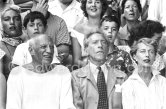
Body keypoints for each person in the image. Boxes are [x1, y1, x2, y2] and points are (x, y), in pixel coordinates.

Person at [6, 34, 75, 109]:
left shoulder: (62, 72)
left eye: (51, 47)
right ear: (31, 50)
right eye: (43, 47)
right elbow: (13, 106)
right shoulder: (17, 74)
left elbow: (67, 105)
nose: (49, 51)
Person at [72, 31, 126, 109]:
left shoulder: (121, 77)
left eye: (103, 42)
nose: (100, 45)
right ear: (86, 49)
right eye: (95, 42)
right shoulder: (76, 77)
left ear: (108, 49)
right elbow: (76, 106)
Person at [122, 38, 166, 109]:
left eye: (151, 52)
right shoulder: (128, 86)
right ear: (134, 56)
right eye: (142, 51)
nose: (147, 55)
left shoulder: (163, 82)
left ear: (155, 57)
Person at [71, 0, 108, 67]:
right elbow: (76, 61)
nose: (93, 5)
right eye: (90, 2)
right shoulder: (77, 29)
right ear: (85, 6)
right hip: (85, 69)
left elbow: (114, 53)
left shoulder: (109, 27)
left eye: (97, 2)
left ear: (102, 5)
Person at [0, 5, 23, 79]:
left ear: (21, 23)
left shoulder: (29, 44)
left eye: (16, 19)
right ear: (1, 25)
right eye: (7, 19)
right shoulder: (0, 47)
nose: (12, 22)